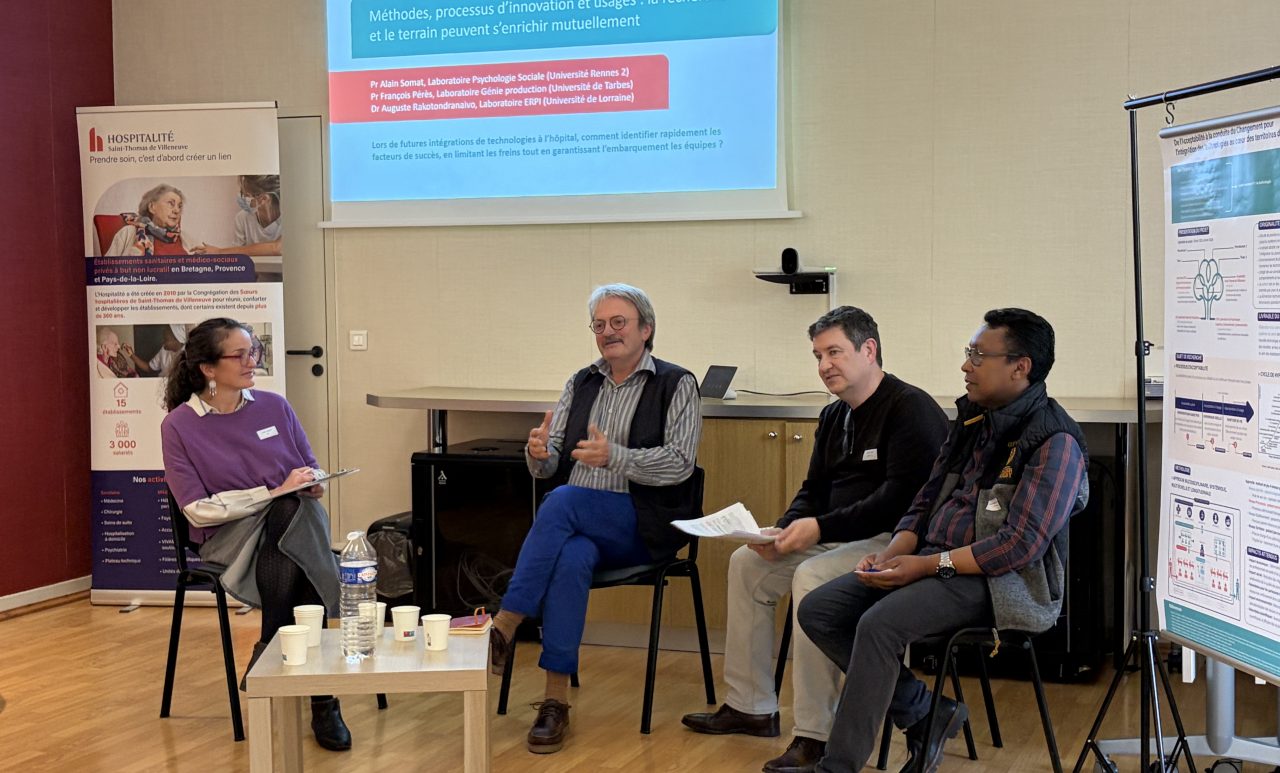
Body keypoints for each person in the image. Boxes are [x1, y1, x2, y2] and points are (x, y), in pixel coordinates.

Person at [797, 308, 1089, 773]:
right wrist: (895, 552)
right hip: (933, 561)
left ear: (1021, 366)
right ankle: (928, 714)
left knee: (878, 625)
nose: (966, 365)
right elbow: (926, 496)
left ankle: (839, 766)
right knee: (820, 609)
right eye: (967, 353)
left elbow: (1018, 547)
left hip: (999, 582)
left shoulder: (1054, 441)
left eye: (977, 355)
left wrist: (928, 567)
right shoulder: (972, 419)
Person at [681, 306, 948, 773]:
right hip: (839, 535)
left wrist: (819, 528)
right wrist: (783, 530)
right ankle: (751, 706)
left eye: (834, 352)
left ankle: (815, 735)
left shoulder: (910, 408)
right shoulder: (834, 415)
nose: (825, 365)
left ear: (869, 350)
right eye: (818, 355)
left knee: (811, 577)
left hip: (896, 542)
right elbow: (814, 490)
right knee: (748, 563)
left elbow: (901, 500)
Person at [487, 283, 703, 755]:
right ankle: (553, 702)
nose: (608, 332)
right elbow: (550, 463)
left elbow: (680, 463)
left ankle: (505, 621)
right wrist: (537, 453)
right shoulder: (581, 382)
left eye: (619, 322)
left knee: (563, 501)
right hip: (582, 525)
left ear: (646, 329)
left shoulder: (676, 383)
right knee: (570, 554)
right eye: (600, 325)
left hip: (644, 522)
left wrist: (616, 457)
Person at [160, 317, 351, 752]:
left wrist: (312, 480)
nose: (253, 362)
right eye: (241, 354)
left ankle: (270, 641)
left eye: (255, 352)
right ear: (209, 368)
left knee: (290, 513)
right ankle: (323, 699)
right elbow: (197, 510)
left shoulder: (274, 405)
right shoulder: (179, 426)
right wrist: (271, 492)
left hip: (292, 522)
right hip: (232, 538)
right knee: (289, 517)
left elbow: (309, 466)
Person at [104, 184, 204, 256]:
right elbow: (107, 273)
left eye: (180, 206)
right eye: (170, 203)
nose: (177, 210)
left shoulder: (188, 239)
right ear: (152, 207)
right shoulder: (128, 233)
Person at [201, 175, 283, 256]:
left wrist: (219, 252)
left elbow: (278, 248)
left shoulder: (290, 216)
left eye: (246, 195)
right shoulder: (242, 218)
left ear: (263, 199)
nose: (242, 198)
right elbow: (236, 254)